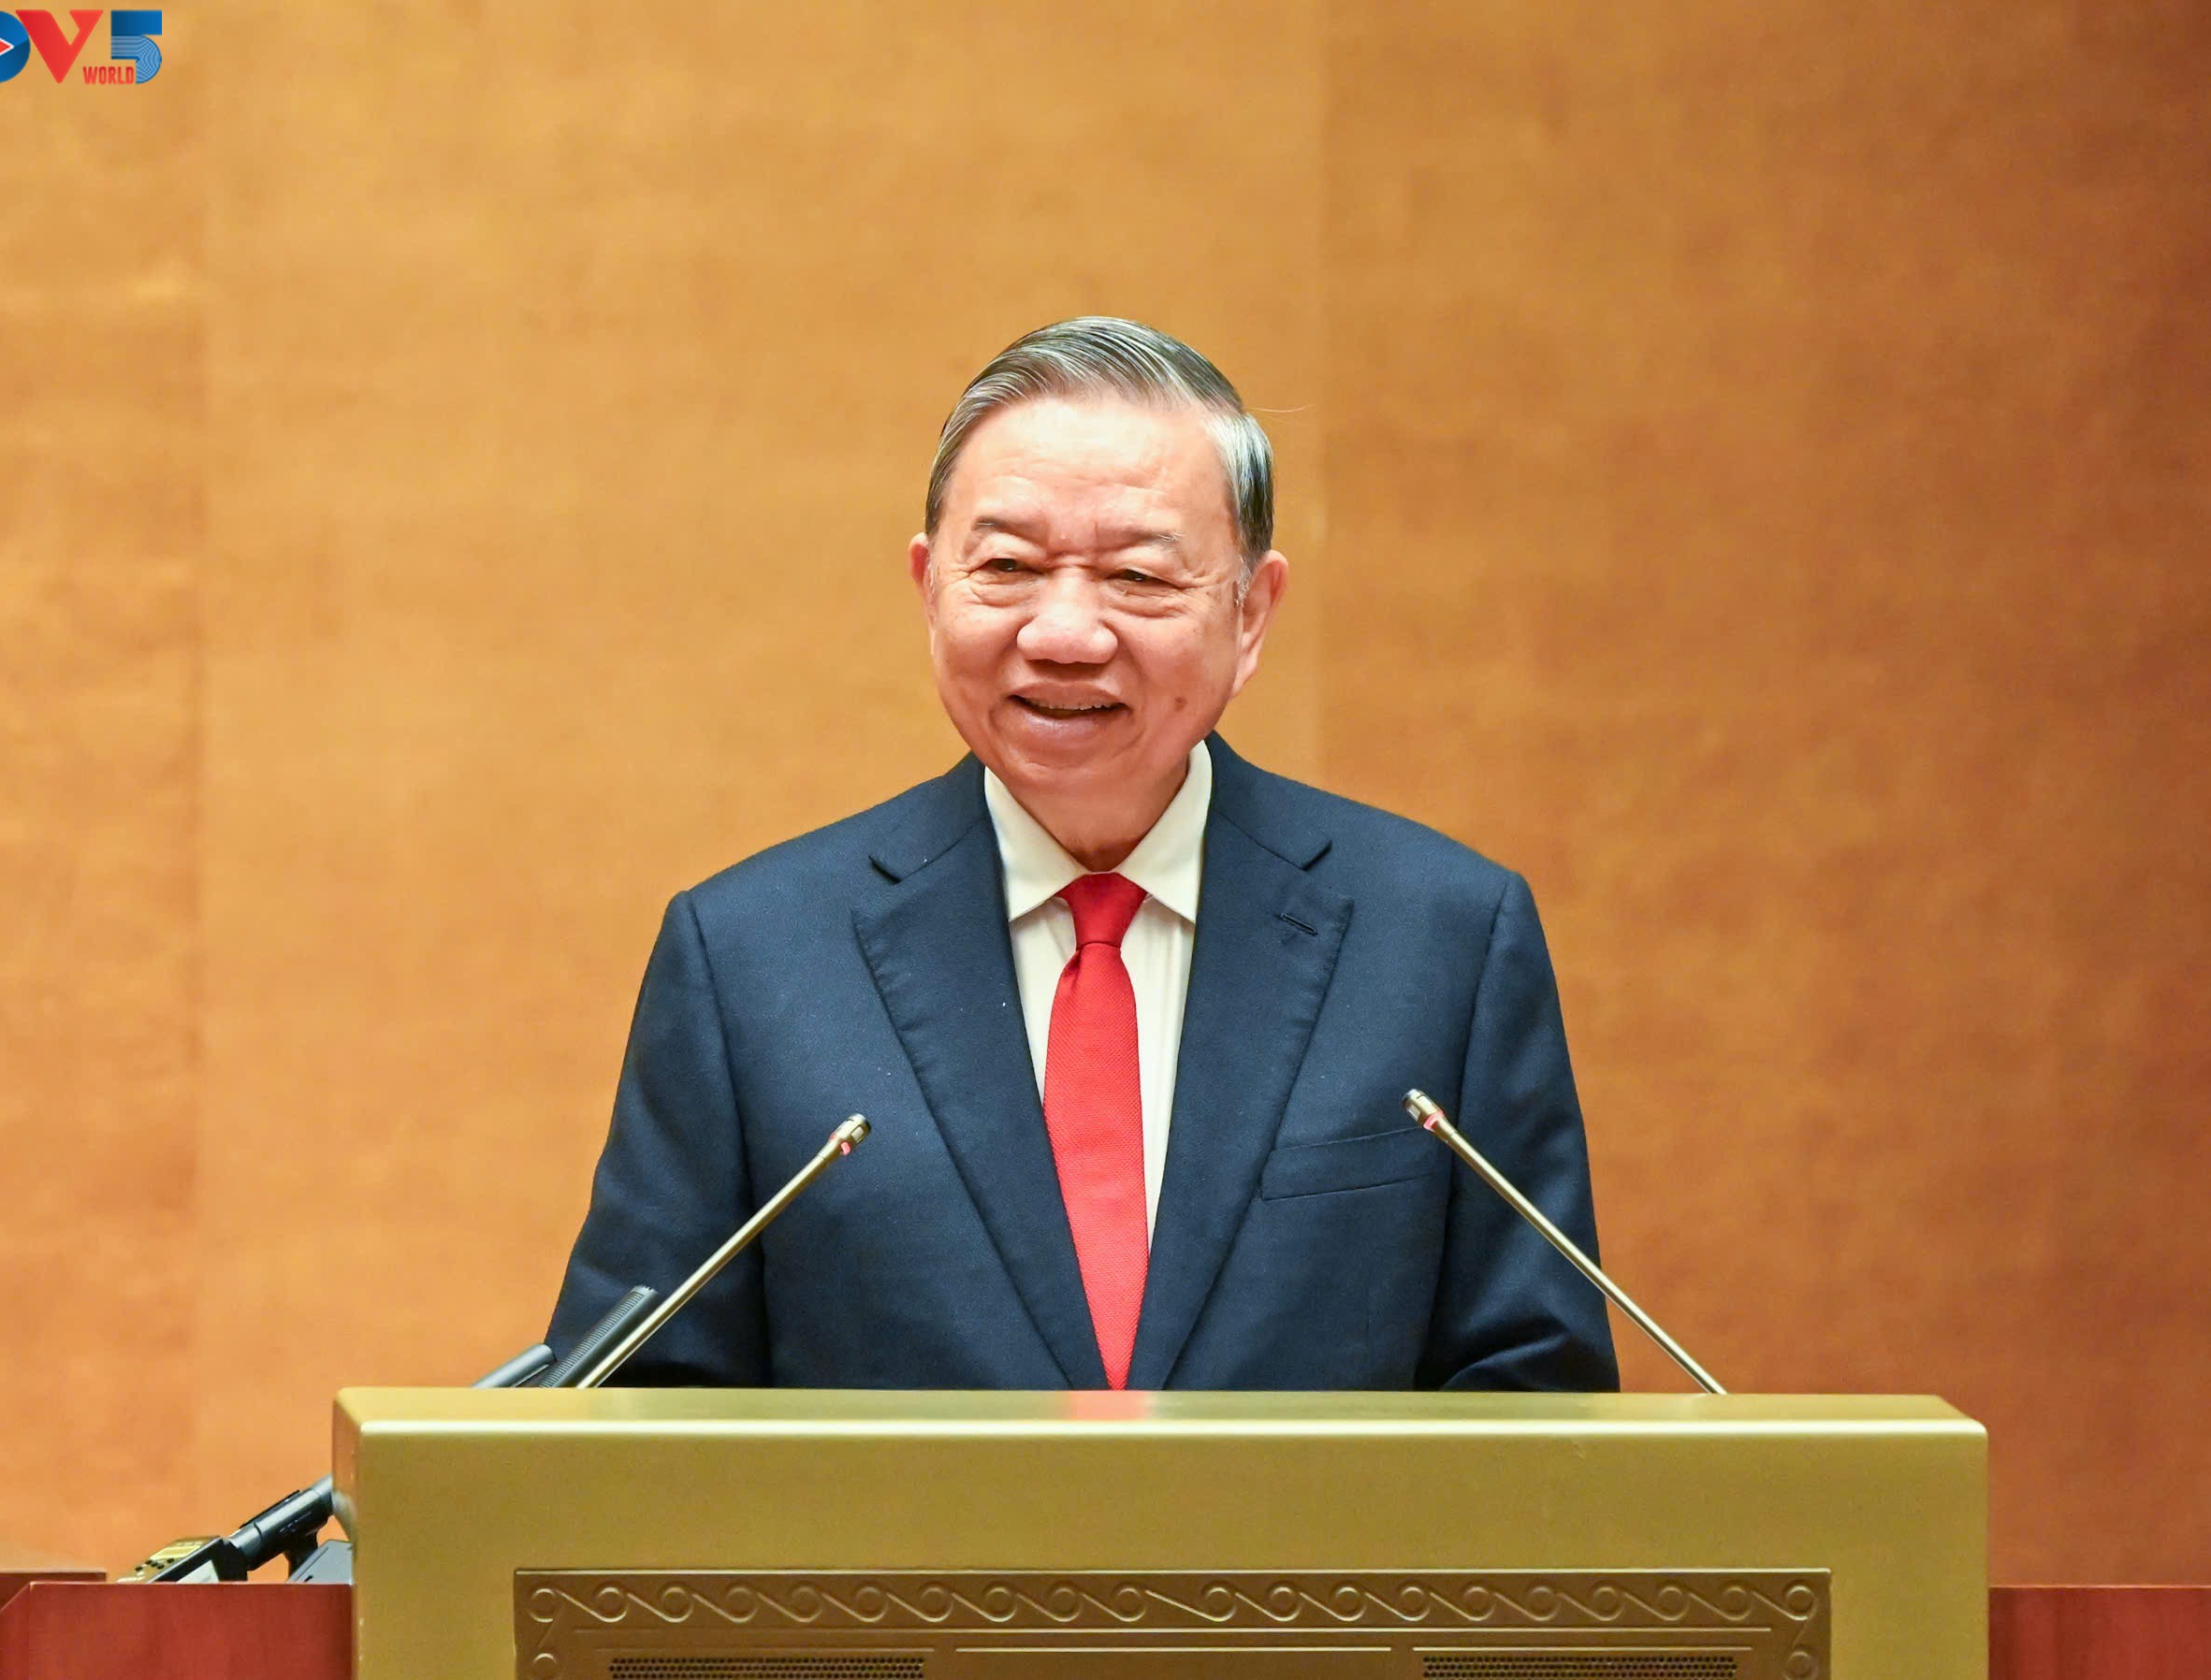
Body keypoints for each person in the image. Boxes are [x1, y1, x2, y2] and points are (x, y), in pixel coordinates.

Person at [547, 318, 1618, 1392]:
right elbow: (633, 1414)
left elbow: (1533, 1408)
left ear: (1250, 613)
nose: (1063, 633)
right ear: (929, 588)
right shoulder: (749, 957)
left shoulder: (1441, 942)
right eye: (1007, 566)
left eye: (1137, 576)